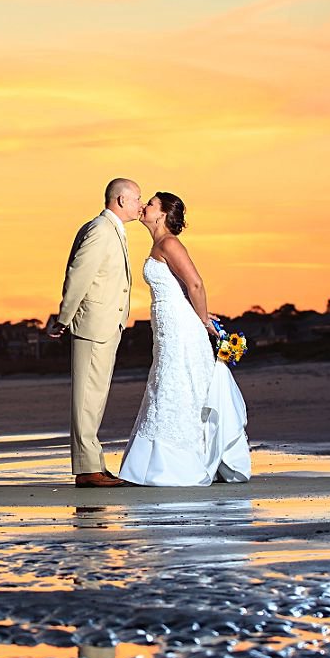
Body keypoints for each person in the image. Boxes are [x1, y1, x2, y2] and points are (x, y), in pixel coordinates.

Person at [118, 192, 251, 486]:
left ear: (163, 214)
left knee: (172, 382)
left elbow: (196, 283)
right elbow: (181, 288)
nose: (143, 207)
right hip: (167, 326)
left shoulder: (169, 243)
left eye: (150, 203)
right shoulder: (159, 244)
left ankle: (174, 463)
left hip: (181, 327)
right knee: (166, 382)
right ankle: (158, 461)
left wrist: (203, 320)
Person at [50, 178, 141, 488]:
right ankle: (87, 469)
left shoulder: (112, 229)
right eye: (136, 199)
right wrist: (64, 317)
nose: (140, 205)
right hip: (92, 325)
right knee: (86, 399)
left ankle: (94, 464)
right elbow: (79, 274)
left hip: (106, 324)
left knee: (95, 398)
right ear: (120, 200)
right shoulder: (100, 230)